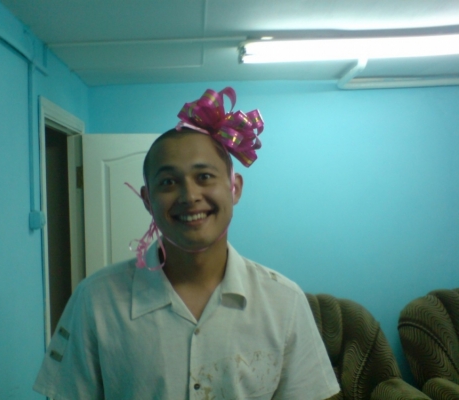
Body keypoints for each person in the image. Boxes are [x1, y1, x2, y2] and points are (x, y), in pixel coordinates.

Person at [33, 87, 340, 400]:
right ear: (148, 200)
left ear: (234, 188)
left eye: (204, 176)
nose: (189, 196)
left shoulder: (284, 302)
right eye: (168, 182)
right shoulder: (96, 300)